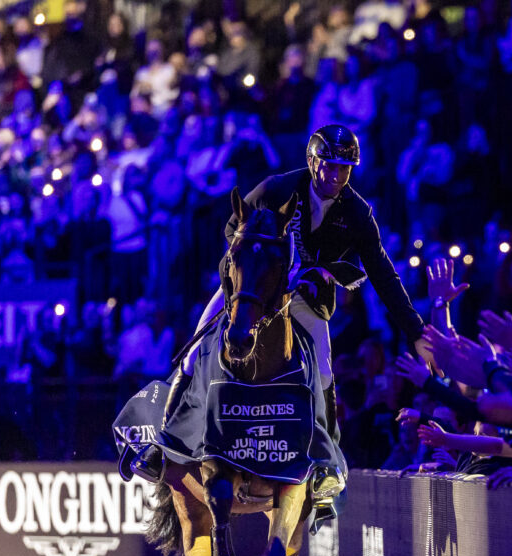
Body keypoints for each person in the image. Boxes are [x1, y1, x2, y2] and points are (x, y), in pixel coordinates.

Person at [130, 124, 432, 517]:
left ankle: (326, 464)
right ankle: (163, 443)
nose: (337, 177)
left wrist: (416, 332)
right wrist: (251, 268)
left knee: (323, 368)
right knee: (195, 345)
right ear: (312, 162)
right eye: (330, 167)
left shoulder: (357, 213)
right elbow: (231, 229)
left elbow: (383, 274)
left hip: (304, 301)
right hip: (256, 288)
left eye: (345, 169)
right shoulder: (276, 189)